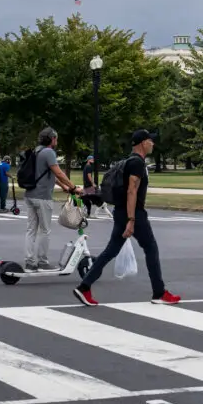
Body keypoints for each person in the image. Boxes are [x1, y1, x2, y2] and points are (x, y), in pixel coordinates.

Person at [73, 130, 180, 306]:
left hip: (120, 211)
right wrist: (132, 220)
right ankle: (159, 293)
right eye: (150, 141)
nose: (153, 143)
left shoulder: (129, 161)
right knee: (151, 248)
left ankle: (84, 287)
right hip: (133, 213)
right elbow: (132, 191)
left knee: (111, 251)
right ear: (142, 143)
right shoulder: (136, 163)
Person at [23, 127, 82, 272]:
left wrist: (64, 187)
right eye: (56, 138)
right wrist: (73, 187)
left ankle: (30, 262)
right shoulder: (49, 152)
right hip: (42, 197)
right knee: (44, 230)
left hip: (30, 195)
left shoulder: (36, 151)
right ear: (51, 139)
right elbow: (58, 172)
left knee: (31, 230)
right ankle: (42, 261)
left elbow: (50, 175)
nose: (57, 140)